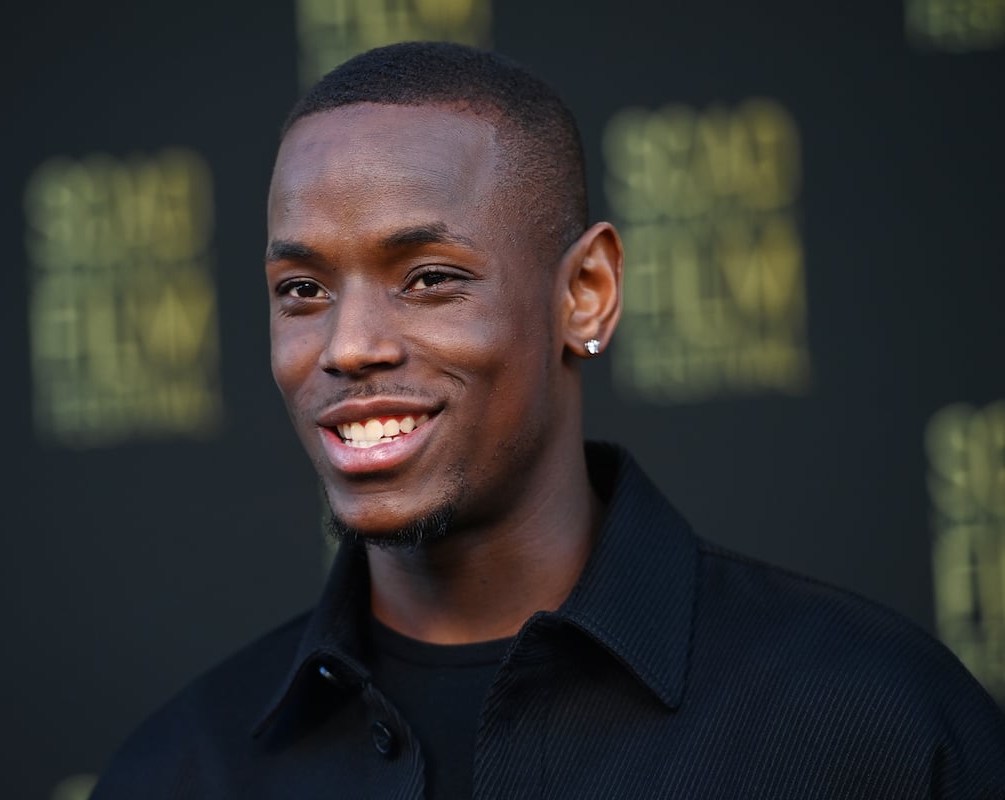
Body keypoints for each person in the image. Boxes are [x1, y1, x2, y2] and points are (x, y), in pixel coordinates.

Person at [90, 42, 1005, 799]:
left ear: (586, 294)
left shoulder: (876, 725)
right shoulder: (179, 770)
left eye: (429, 279)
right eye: (302, 290)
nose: (348, 346)